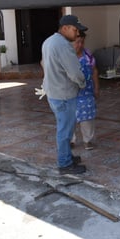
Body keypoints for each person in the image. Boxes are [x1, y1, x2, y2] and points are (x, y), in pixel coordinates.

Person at [42, 15, 88, 175]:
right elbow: (74, 72)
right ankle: (65, 164)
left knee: (64, 128)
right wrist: (83, 83)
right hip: (64, 95)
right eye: (75, 30)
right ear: (65, 28)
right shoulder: (63, 45)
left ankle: (67, 156)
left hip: (53, 93)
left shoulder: (48, 42)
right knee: (65, 130)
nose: (77, 34)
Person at [70, 30, 100, 150]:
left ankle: (88, 140)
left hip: (86, 93)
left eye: (82, 42)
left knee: (87, 118)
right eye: (77, 42)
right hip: (70, 93)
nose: (80, 45)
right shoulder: (67, 56)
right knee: (70, 118)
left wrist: (97, 88)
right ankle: (70, 140)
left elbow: (94, 71)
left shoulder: (87, 55)